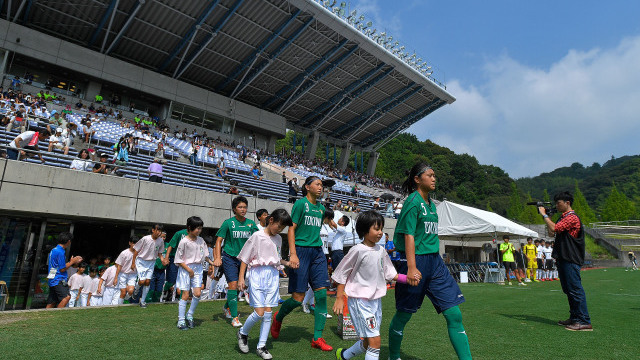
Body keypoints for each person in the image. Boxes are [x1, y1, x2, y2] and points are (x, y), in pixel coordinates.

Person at [388, 163, 471, 360]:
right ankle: (393, 356)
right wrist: (411, 267)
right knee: (403, 315)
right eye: (430, 175)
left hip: (435, 263)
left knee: (454, 315)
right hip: (415, 262)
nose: (434, 178)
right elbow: (408, 235)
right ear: (417, 179)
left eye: (435, 175)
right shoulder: (413, 202)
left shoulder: (432, 204)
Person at [333, 211, 411, 360]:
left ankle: (344, 355)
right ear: (364, 230)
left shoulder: (381, 251)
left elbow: (390, 274)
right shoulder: (357, 250)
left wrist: (407, 278)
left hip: (375, 301)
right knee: (375, 342)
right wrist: (338, 298)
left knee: (369, 341)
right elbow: (341, 274)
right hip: (360, 301)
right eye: (376, 229)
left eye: (381, 228)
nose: (380, 233)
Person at [270, 176, 336, 352]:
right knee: (298, 299)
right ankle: (278, 317)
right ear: (307, 187)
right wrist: (293, 254)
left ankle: (318, 338)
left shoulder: (321, 208)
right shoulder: (300, 204)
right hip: (300, 251)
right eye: (317, 184)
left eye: (322, 185)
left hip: (317, 253)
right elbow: (291, 229)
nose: (320, 187)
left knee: (321, 295)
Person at [236, 209, 293, 359]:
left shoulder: (279, 239)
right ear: (271, 220)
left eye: (282, 229)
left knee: (268, 312)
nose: (280, 230)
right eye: (279, 226)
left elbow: (276, 258)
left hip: (272, 276)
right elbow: (245, 258)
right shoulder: (257, 236)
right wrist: (241, 278)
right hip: (257, 274)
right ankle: (242, 333)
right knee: (259, 312)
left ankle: (261, 346)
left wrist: (286, 264)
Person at [539, 191, 592, 331]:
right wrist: (548, 216)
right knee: (568, 290)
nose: (557, 205)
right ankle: (575, 318)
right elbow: (551, 232)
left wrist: (544, 215)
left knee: (575, 289)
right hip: (563, 257)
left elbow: (555, 228)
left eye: (559, 203)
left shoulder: (572, 217)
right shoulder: (562, 218)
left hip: (570, 257)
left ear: (567, 203)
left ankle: (584, 320)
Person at [213, 196, 259, 327]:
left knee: (241, 286)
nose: (243, 209)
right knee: (233, 285)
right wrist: (217, 257)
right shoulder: (228, 223)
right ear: (234, 209)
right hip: (230, 257)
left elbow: (258, 239)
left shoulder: (251, 223)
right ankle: (234, 317)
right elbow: (218, 241)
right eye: (240, 207)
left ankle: (227, 306)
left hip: (244, 260)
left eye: (245, 207)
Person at [175, 216, 207, 330]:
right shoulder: (184, 241)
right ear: (189, 228)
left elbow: (205, 255)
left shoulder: (201, 240)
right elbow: (178, 260)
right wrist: (189, 270)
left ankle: (189, 315)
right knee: (185, 294)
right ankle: (181, 320)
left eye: (200, 228)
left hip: (198, 268)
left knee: (198, 293)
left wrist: (213, 262)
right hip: (186, 269)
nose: (199, 231)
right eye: (197, 228)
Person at [46, 232, 83, 309]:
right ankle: (57, 315)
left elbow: (59, 265)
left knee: (52, 301)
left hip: (53, 278)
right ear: (68, 241)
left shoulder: (54, 249)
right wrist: (72, 262)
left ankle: (45, 316)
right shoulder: (60, 251)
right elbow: (62, 269)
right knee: (66, 297)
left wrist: (70, 262)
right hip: (58, 279)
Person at [132, 224, 165, 308]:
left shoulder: (161, 241)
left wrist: (163, 260)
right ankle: (136, 291)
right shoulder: (145, 238)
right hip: (141, 261)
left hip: (151, 262)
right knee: (142, 281)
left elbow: (160, 253)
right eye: (157, 230)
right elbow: (136, 250)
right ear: (153, 230)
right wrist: (133, 263)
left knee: (147, 282)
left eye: (160, 231)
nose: (159, 232)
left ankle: (142, 301)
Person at [114, 237, 138, 304]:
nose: (135, 245)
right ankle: (119, 306)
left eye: (136, 243)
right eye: (133, 243)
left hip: (133, 274)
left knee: (131, 291)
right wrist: (116, 277)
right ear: (130, 243)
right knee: (123, 292)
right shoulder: (124, 253)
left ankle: (125, 300)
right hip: (123, 274)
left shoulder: (139, 254)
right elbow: (119, 265)